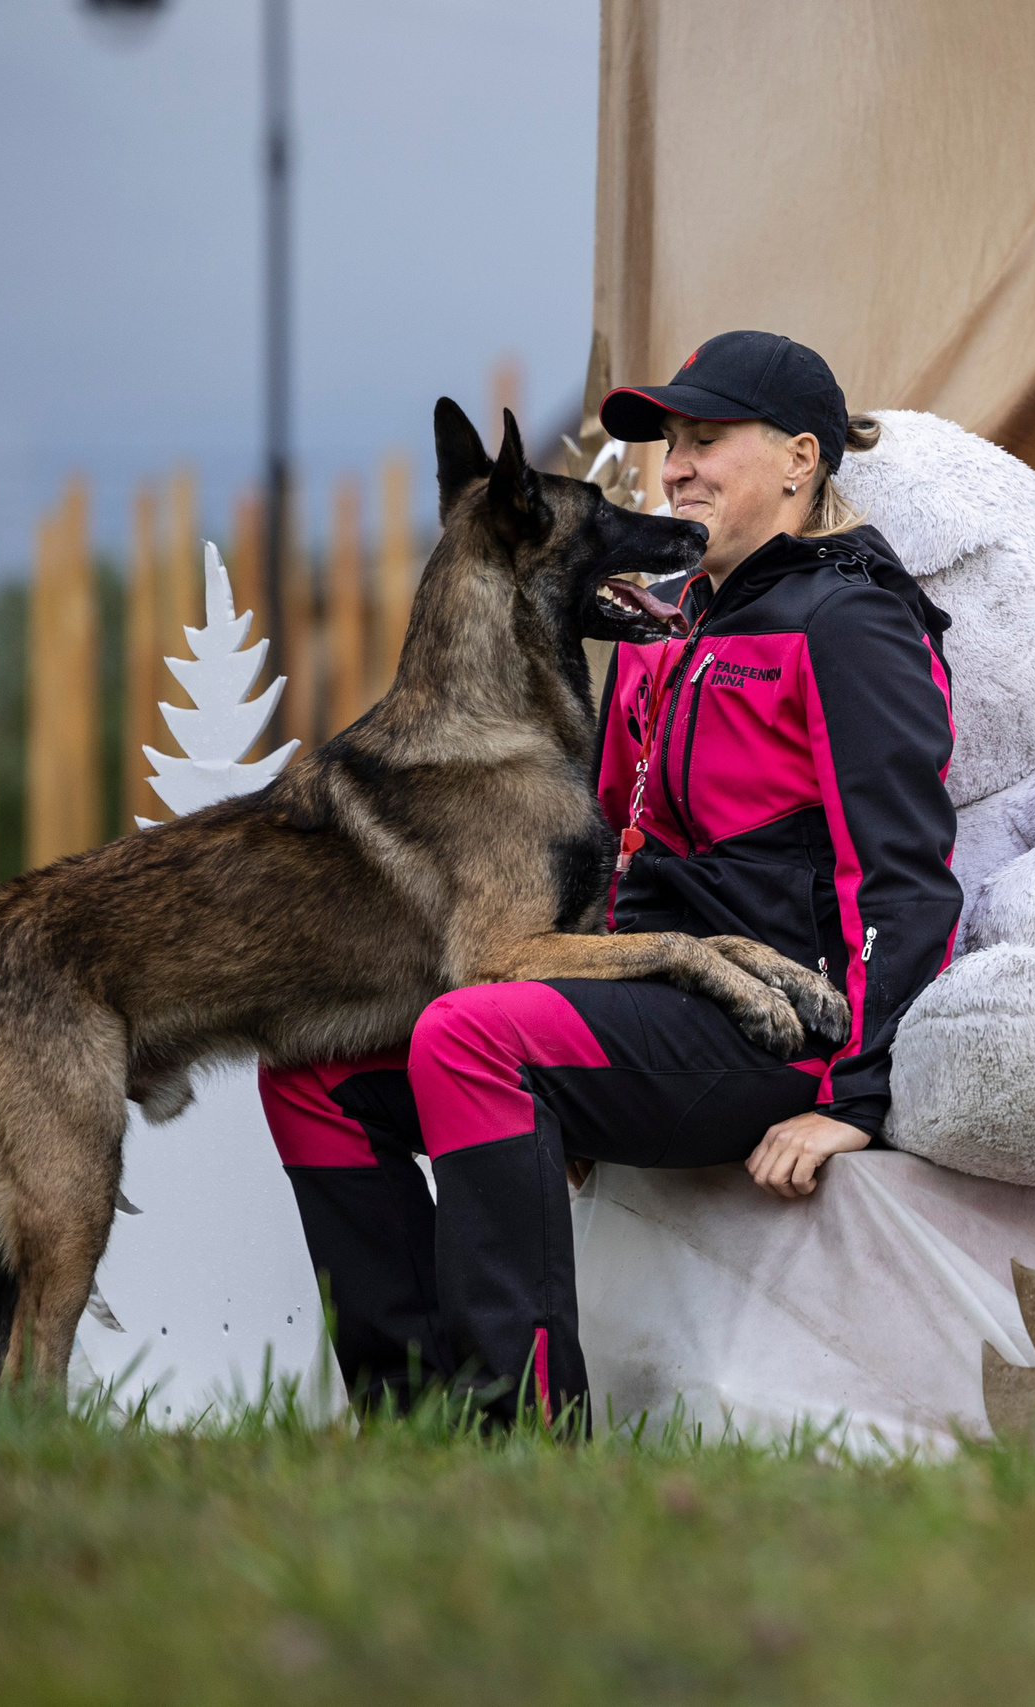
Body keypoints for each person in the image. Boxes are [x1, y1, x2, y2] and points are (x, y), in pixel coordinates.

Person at [260, 331, 961, 1422]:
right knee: (313, 1070)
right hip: (644, 1007)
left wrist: (854, 1100)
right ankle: (409, 1423)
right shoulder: (656, 628)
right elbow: (617, 857)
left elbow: (906, 880)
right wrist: (570, 1057)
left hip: (770, 1026)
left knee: (469, 1030)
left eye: (707, 439)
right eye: (669, 444)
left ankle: (522, 1435)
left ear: (801, 460)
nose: (674, 465)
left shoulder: (852, 622)